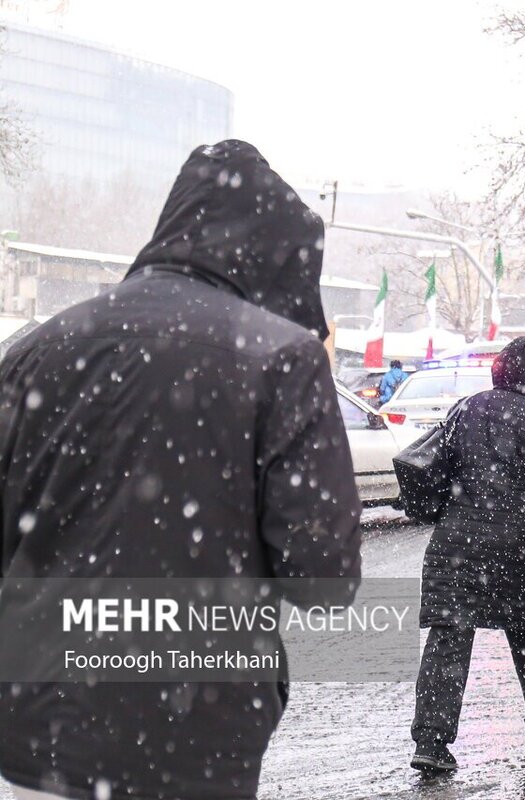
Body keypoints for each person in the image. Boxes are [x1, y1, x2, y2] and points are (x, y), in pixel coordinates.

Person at [0, 141, 362, 799]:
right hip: (196, 741)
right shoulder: (281, 362)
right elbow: (322, 581)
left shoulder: (35, 349)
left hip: (36, 739)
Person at [411, 336, 525, 772]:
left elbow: (435, 465)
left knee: (448, 640)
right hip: (514, 549)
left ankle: (431, 741)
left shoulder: (465, 408)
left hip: (454, 545)